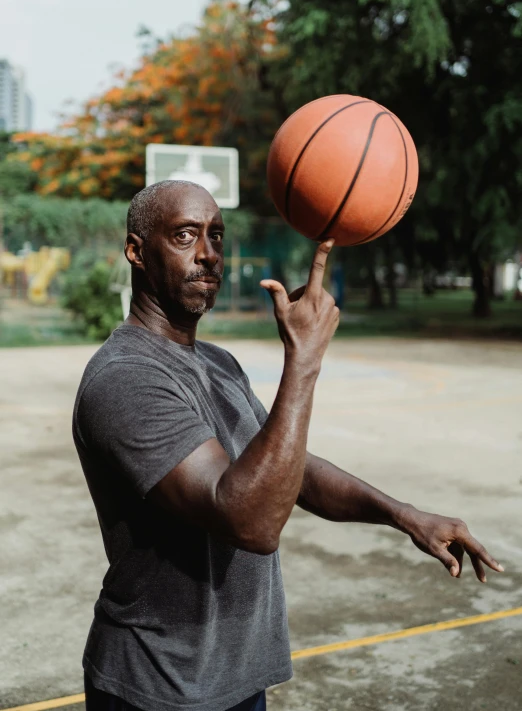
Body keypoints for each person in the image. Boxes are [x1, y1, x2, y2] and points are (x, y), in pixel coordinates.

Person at [73, 180, 503, 711]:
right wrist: (303, 362)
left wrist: (404, 514)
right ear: (136, 251)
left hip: (236, 675)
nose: (208, 254)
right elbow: (249, 521)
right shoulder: (125, 377)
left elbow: (287, 469)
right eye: (185, 236)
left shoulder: (217, 362)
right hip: (161, 683)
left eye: (216, 236)